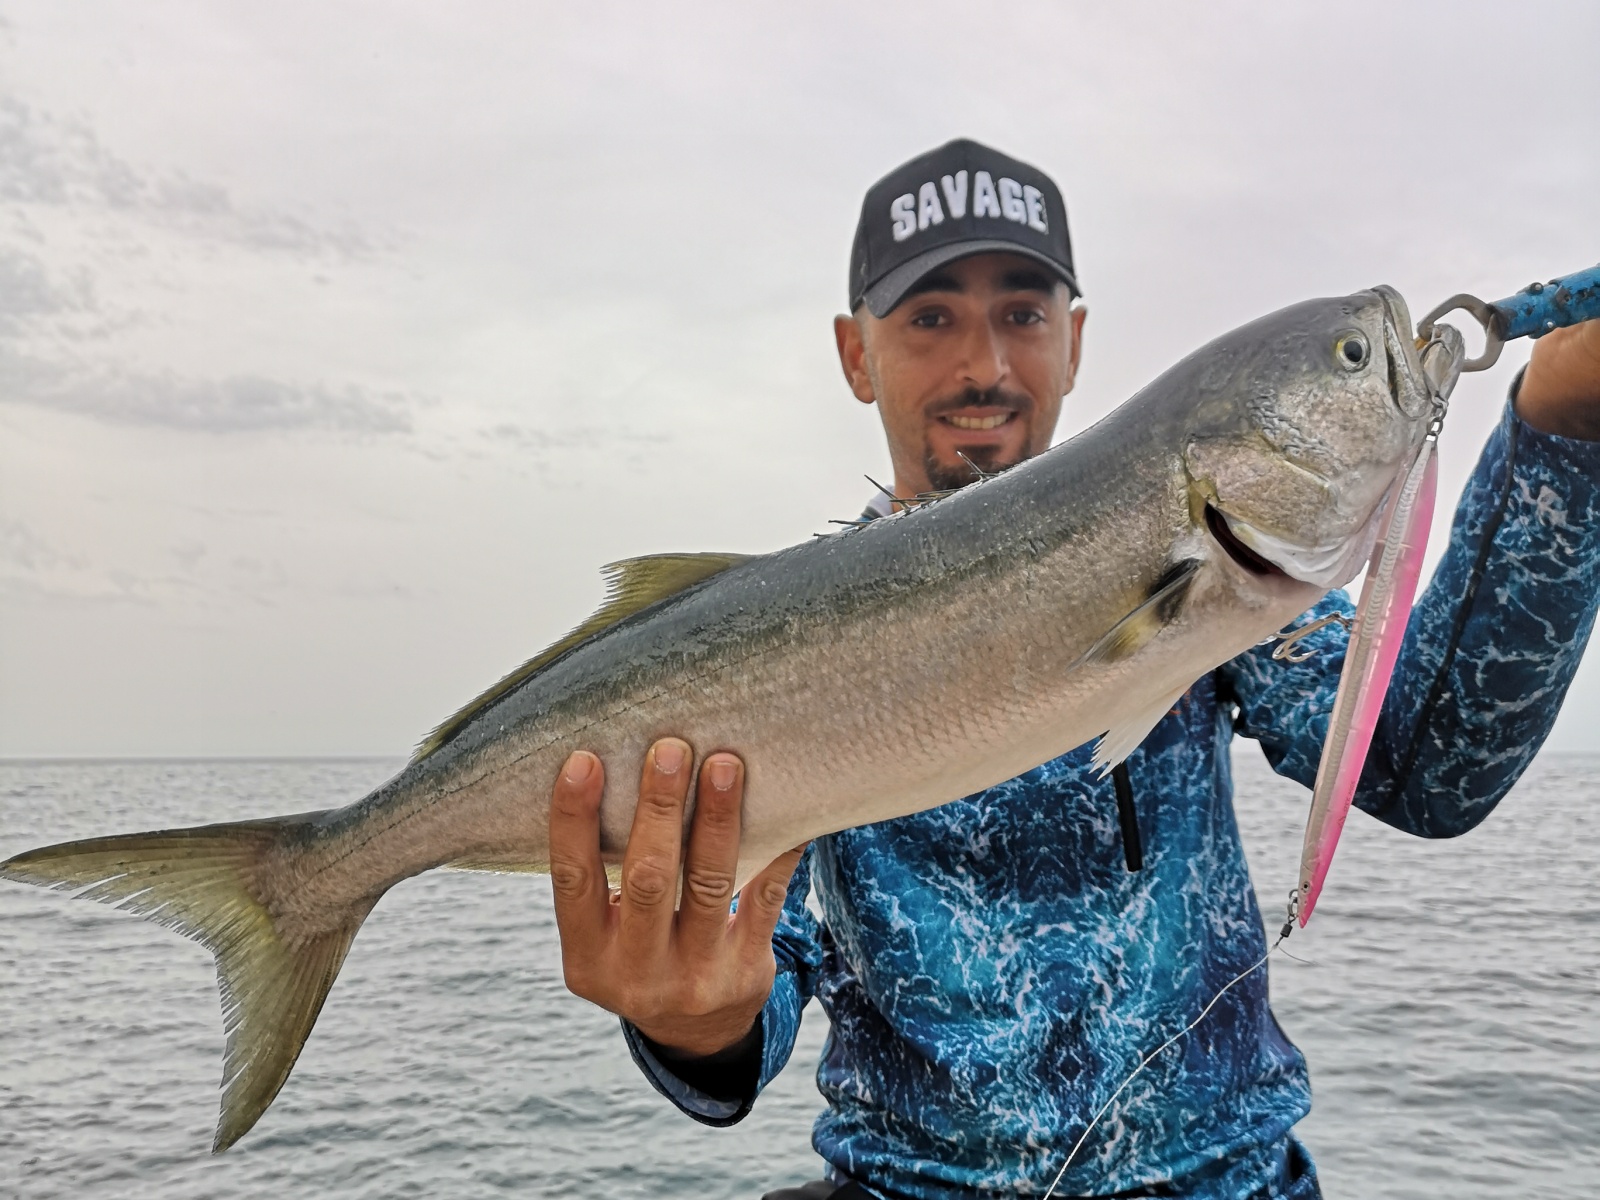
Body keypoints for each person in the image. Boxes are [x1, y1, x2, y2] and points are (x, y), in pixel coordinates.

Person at [545, 139, 1600, 1199]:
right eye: (929, 318)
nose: (984, 367)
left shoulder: (1217, 576)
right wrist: (699, 1026)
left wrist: (1561, 433)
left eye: (1021, 313)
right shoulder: (778, 653)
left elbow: (1429, 764)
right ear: (854, 353)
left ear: (1074, 339)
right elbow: (758, 987)